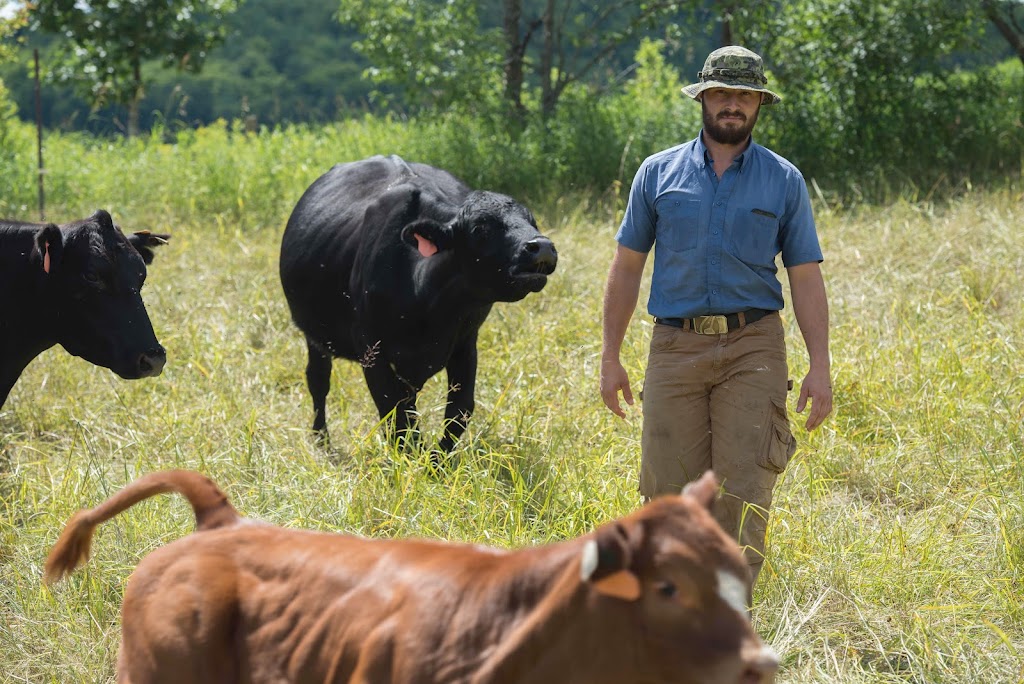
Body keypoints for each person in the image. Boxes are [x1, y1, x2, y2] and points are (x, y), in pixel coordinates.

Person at [600, 45, 832, 585]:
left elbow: (805, 276)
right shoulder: (657, 174)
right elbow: (628, 267)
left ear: (759, 105)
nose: (733, 104)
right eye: (722, 93)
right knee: (668, 488)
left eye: (744, 96)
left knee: (744, 485)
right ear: (703, 98)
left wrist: (819, 366)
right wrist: (610, 358)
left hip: (754, 347)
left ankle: (734, 612)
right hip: (674, 348)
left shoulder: (783, 180)